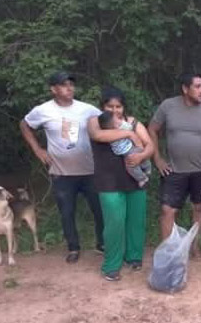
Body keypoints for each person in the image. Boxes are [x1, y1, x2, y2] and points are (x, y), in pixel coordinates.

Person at [20, 71, 104, 264]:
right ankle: (73, 247)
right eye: (64, 85)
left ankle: (102, 243)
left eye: (71, 84)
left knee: (99, 209)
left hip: (89, 170)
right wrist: (37, 149)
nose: (69, 88)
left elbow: (106, 123)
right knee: (67, 212)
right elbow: (24, 125)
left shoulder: (86, 109)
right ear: (53, 89)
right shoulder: (43, 110)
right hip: (61, 173)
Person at [148, 73, 201, 258]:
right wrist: (157, 158)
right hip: (173, 168)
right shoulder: (168, 106)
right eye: (197, 86)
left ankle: (195, 248)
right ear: (185, 89)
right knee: (167, 209)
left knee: (199, 208)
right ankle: (167, 251)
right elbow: (152, 129)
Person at [88, 87, 155, 281]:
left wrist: (142, 155)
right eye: (110, 106)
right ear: (103, 106)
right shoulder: (96, 121)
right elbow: (98, 136)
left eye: (118, 106)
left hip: (135, 179)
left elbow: (149, 144)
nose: (115, 110)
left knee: (136, 221)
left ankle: (134, 257)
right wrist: (130, 135)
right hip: (108, 181)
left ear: (123, 107)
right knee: (114, 223)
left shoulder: (133, 122)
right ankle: (111, 265)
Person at [97, 110, 152, 187]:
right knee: (134, 163)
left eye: (119, 120)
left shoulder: (121, 126)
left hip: (131, 148)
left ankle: (143, 177)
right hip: (125, 152)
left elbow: (130, 128)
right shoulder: (108, 133)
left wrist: (122, 124)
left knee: (130, 165)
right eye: (117, 122)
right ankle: (145, 172)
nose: (119, 122)